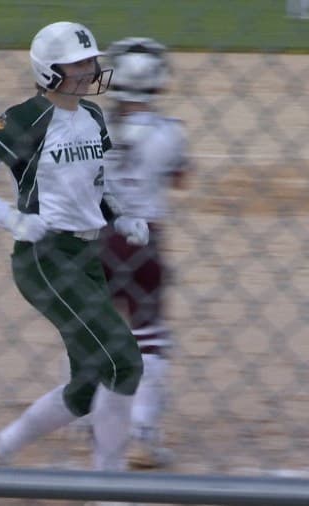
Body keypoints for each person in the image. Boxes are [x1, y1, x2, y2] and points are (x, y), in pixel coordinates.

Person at [0, 20, 151, 473]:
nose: (90, 70)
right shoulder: (27, 117)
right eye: (77, 64)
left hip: (88, 257)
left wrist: (122, 216)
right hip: (45, 258)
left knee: (88, 383)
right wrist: (12, 219)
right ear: (48, 70)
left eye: (91, 61)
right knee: (124, 362)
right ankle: (110, 488)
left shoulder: (93, 115)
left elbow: (98, 185)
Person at [100, 37, 191, 468]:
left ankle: (89, 420)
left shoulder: (90, 127)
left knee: (92, 329)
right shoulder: (169, 130)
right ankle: (141, 433)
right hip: (143, 241)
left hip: (94, 239)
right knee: (149, 335)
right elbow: (180, 179)